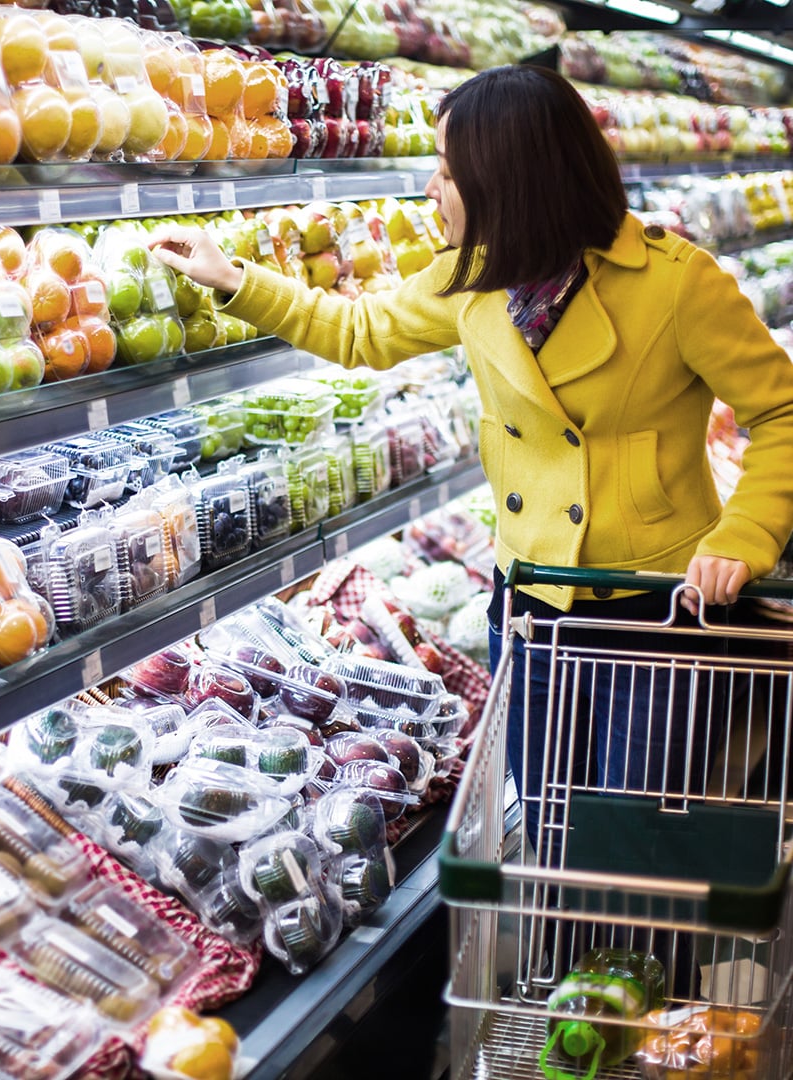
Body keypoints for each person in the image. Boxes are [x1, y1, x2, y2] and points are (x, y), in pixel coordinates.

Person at [149, 65, 793, 878]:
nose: (432, 189)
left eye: (451, 173)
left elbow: (782, 412)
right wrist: (237, 279)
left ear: (511, 182)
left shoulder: (676, 286)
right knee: (551, 822)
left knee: (638, 840)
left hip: (655, 611)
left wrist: (746, 531)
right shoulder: (475, 280)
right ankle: (564, 967)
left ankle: (636, 987)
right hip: (529, 603)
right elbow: (361, 331)